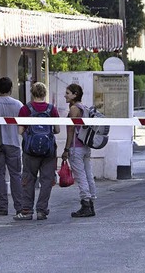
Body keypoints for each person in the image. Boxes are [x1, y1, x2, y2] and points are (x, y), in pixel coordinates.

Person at [14, 82, 60, 221]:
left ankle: (27, 210)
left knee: (28, 179)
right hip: (49, 151)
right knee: (46, 181)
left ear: (32, 93)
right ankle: (42, 210)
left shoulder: (25, 109)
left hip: (30, 151)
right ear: (44, 94)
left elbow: (20, 130)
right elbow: (57, 130)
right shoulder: (52, 109)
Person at [0, 77, 24, 216]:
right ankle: (19, 206)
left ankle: (2, 206)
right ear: (11, 88)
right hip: (14, 143)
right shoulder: (18, 105)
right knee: (16, 175)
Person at [61, 83, 97, 218]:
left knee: (81, 177)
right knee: (88, 175)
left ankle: (85, 204)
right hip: (86, 146)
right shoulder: (84, 108)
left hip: (76, 148)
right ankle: (91, 202)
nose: (65, 95)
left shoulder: (74, 109)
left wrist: (66, 149)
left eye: (68, 93)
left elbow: (71, 131)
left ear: (75, 94)